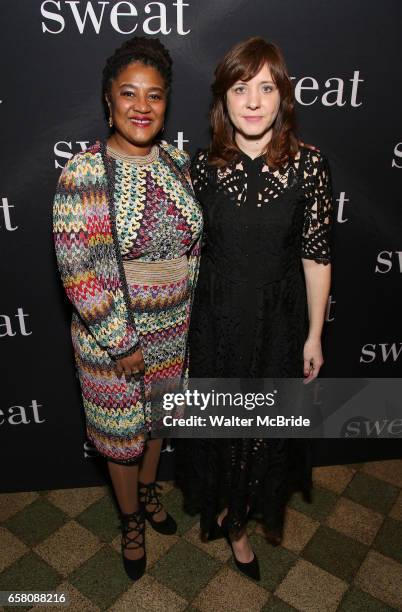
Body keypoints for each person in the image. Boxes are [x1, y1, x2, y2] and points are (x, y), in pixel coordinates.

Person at [178, 37, 332, 581]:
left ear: (282, 96)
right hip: (216, 322)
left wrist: (314, 335)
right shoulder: (202, 166)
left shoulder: (310, 165)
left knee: (263, 429)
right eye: (241, 88)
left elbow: (316, 256)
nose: (253, 100)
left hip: (278, 324)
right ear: (224, 99)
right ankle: (234, 523)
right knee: (222, 426)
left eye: (266, 87)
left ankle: (240, 516)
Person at [53, 36, 202, 581]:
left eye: (155, 95)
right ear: (108, 101)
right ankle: (130, 520)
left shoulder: (180, 164)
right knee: (120, 439)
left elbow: (194, 250)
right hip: (113, 343)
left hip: (173, 333)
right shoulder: (84, 174)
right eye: (129, 94)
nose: (142, 106)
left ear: (166, 105)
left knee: (157, 425)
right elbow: (78, 272)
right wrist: (123, 341)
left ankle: (148, 492)